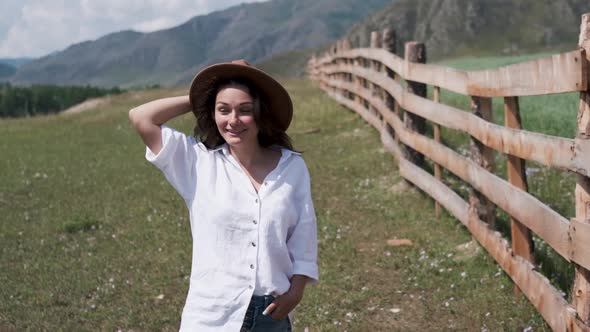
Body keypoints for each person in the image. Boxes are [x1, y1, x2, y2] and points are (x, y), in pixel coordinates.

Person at [128, 59, 319, 332]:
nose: (232, 121)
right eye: (223, 110)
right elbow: (141, 116)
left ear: (261, 112)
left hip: (271, 313)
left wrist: (296, 292)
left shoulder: (291, 166)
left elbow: (304, 233)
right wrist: (203, 95)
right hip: (211, 315)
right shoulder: (196, 162)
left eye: (244, 110)